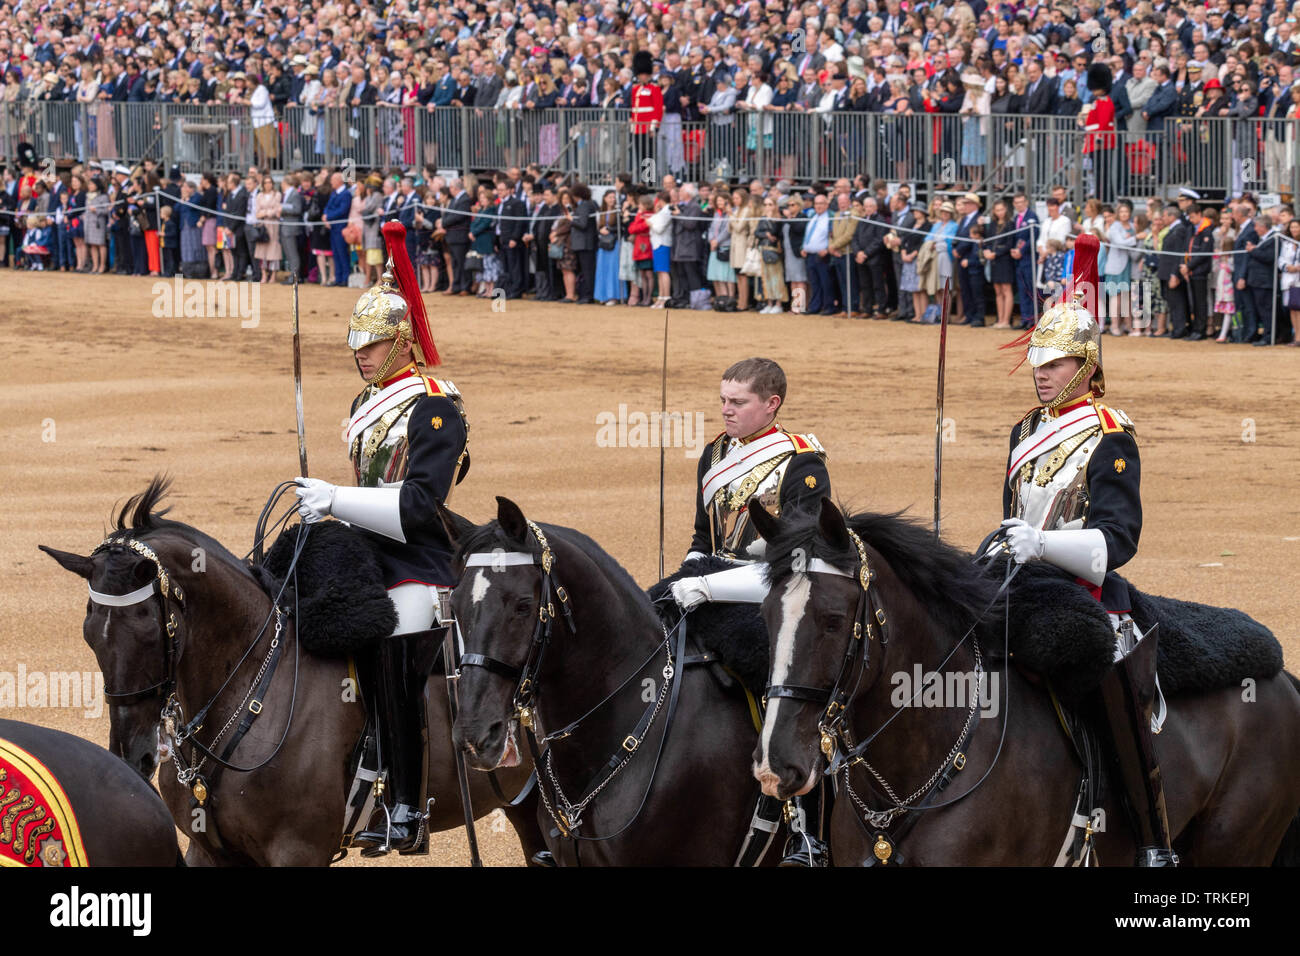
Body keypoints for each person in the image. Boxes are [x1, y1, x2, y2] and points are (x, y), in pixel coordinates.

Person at [993, 234, 1176, 868]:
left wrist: (1043, 543)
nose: (1041, 373)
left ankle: (1151, 837)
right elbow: (1014, 511)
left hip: (1086, 591)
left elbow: (1118, 539)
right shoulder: (1025, 428)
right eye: (1037, 362)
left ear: (1087, 369)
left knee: (1113, 693)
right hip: (1019, 580)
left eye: (1055, 364)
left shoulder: (1110, 435)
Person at [293, 221, 468, 857]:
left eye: (371, 345)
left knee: (396, 647)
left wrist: (337, 499)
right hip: (364, 545)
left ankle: (402, 802)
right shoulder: (367, 399)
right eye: (356, 345)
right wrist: (328, 513)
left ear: (400, 342)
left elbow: (422, 506)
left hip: (418, 558)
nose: (360, 355)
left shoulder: (436, 404)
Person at [668, 357, 830, 867]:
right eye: (722, 400)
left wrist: (713, 579)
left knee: (784, 682)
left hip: (771, 595)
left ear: (771, 404)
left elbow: (802, 551)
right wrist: (696, 562)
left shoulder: (802, 461)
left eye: (737, 402)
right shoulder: (715, 452)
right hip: (711, 581)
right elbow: (703, 533)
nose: (726, 410)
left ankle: (807, 828)